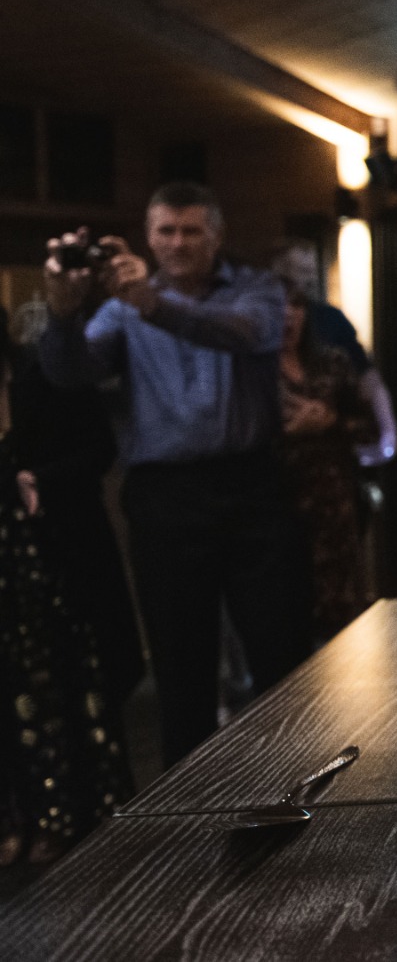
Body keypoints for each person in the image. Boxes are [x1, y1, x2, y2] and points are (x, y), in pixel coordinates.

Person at [39, 182, 313, 767]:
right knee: (179, 660)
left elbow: (244, 333)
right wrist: (62, 314)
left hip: (253, 485)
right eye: (165, 230)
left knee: (279, 652)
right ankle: (187, 819)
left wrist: (152, 304)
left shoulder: (257, 289)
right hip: (167, 498)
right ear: (147, 235)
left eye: (191, 230)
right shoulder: (124, 304)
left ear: (217, 235)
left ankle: (297, 781)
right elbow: (70, 373)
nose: (177, 243)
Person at [0, 309, 134, 866]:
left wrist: (38, 481)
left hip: (52, 557)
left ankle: (76, 814)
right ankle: (20, 820)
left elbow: (100, 449)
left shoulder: (40, 376)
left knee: (66, 680)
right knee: (10, 695)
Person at [278, 284, 375, 641]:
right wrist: (287, 430)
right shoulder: (251, 369)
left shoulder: (331, 361)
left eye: (297, 305)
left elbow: (370, 426)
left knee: (342, 620)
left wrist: (331, 421)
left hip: (334, 504)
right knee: (286, 617)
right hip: (276, 505)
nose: (289, 315)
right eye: (280, 305)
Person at [271, 239, 397, 469]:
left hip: (333, 475)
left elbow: (366, 376)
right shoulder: (253, 362)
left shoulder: (331, 321)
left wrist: (388, 434)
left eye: (310, 271)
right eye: (298, 271)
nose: (306, 280)